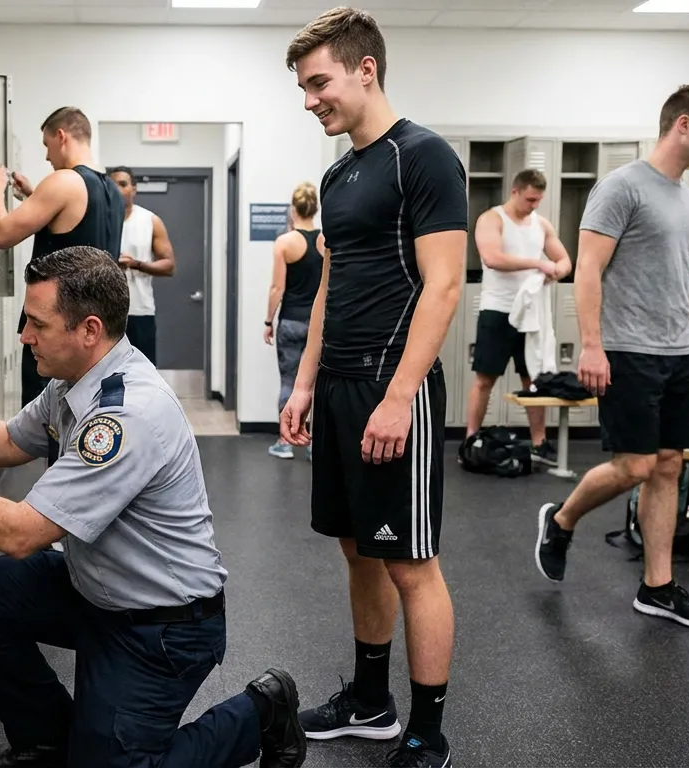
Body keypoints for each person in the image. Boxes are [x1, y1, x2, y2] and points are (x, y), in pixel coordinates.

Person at [0, 245, 306, 768]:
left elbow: (21, 533)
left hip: (163, 625)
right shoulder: (72, 384)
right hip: (94, 589)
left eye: (37, 324)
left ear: (89, 330)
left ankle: (261, 711)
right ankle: (47, 741)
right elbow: (5, 441)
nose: (24, 336)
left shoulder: (125, 415)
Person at [281, 9, 467, 767]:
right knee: (357, 550)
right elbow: (332, 287)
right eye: (302, 86)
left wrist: (399, 395)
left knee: (410, 561)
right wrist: (302, 385)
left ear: (366, 70)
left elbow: (445, 285)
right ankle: (370, 700)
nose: (308, 99)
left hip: (397, 389)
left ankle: (427, 730)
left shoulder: (421, 157)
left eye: (318, 82)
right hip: (340, 387)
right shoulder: (338, 172)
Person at [535, 84, 689, 632]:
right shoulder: (622, 188)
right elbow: (588, 270)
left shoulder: (688, 196)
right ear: (684, 125)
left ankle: (657, 587)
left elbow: (673, 276)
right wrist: (593, 345)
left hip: (679, 352)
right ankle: (561, 519)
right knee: (636, 465)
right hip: (629, 350)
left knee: (669, 465)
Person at [0, 106, 125, 409]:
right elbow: (78, 230)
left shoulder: (63, 181)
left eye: (47, 145)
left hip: (57, 327)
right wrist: (33, 195)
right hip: (94, 332)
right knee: (84, 416)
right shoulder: (111, 189)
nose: (47, 156)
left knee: (49, 426)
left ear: (61, 136)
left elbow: (1, 234)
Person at [465, 169, 570, 464]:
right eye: (530, 199)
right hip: (498, 310)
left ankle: (539, 442)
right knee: (485, 379)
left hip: (531, 314)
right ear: (515, 192)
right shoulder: (492, 219)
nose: (534, 205)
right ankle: (471, 439)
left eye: (538, 200)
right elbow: (492, 258)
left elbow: (564, 260)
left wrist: (556, 271)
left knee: (534, 381)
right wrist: (538, 263)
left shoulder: (542, 224)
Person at [264, 181, 324, 460]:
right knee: (319, 385)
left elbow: (278, 288)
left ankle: (285, 442)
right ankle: (315, 444)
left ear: (293, 209)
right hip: (319, 325)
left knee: (289, 382)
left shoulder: (285, 242)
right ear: (315, 208)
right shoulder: (327, 241)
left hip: (290, 322)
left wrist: (268, 321)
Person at [109, 166, 177, 364]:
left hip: (139, 310)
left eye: (123, 184)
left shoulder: (150, 220)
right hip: (105, 312)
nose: (117, 190)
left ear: (134, 189)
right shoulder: (100, 219)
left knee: (141, 373)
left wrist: (136, 264)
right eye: (112, 185)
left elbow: (169, 265)